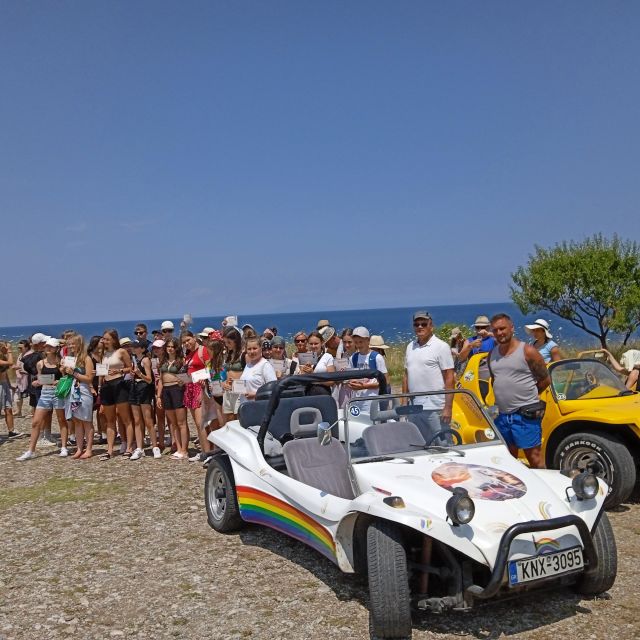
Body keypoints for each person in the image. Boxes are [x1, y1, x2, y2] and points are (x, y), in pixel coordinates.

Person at [488, 313, 551, 469]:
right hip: (503, 416)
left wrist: (528, 397)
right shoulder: (492, 355)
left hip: (525, 416)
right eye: (495, 330)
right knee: (507, 460)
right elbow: (496, 380)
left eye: (502, 328)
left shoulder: (527, 351)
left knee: (534, 458)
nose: (499, 333)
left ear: (512, 328)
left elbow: (545, 379)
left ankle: (544, 492)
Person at [403, 311, 455, 443]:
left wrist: (448, 407)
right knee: (420, 445)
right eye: (416, 324)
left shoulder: (441, 347)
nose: (420, 327)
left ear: (431, 326)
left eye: (424, 324)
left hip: (435, 407)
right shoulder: (410, 347)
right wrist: (404, 403)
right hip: (414, 407)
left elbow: (449, 377)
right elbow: (406, 375)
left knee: (443, 445)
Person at [16, 338, 68, 460]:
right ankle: (30, 450)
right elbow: (40, 379)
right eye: (46, 346)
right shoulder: (40, 363)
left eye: (51, 346)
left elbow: (67, 379)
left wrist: (58, 381)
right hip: (45, 392)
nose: (48, 348)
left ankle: (64, 447)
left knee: (61, 420)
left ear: (56, 348)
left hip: (58, 393)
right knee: (36, 422)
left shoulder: (61, 363)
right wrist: (37, 383)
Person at [98, 329, 134, 460]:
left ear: (113, 339)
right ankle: (110, 449)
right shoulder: (104, 353)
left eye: (107, 339)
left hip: (119, 383)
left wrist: (118, 370)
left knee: (125, 418)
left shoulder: (121, 351)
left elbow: (130, 368)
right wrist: (99, 387)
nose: (104, 341)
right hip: (106, 386)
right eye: (104, 339)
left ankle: (129, 447)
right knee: (110, 420)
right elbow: (101, 372)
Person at [61, 334, 95, 459]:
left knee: (86, 420)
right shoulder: (70, 358)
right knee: (77, 421)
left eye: (73, 344)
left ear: (79, 344)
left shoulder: (86, 359)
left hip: (83, 391)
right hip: (72, 390)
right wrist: (63, 369)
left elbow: (89, 378)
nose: (70, 346)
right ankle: (79, 448)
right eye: (69, 344)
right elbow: (66, 376)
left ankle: (89, 449)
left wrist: (74, 373)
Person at [156, 337, 189, 460]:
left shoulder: (182, 361)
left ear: (177, 348)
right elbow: (160, 379)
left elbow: (187, 378)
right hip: (166, 390)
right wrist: (158, 396)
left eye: (172, 347)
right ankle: (178, 447)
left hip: (177, 390)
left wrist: (183, 382)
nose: (170, 349)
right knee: (173, 423)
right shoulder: (163, 361)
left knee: (181, 422)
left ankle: (184, 450)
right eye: (168, 346)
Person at [181, 331, 211, 462]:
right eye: (184, 342)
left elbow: (209, 367)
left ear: (194, 338)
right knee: (197, 423)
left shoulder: (203, 350)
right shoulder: (188, 355)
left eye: (188, 340)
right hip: (190, 387)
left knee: (201, 423)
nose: (186, 343)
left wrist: (205, 381)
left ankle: (208, 453)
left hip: (200, 388)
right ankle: (205, 451)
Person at [129, 339, 160, 459]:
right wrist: (133, 374)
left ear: (142, 348)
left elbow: (149, 379)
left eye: (136, 347)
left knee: (148, 420)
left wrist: (139, 374)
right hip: (134, 387)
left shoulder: (145, 360)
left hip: (144, 389)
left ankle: (154, 446)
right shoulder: (134, 359)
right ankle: (139, 447)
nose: (133, 348)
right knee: (137, 420)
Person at [348, 327, 388, 412]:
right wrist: (351, 383)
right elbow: (351, 377)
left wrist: (364, 386)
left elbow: (385, 381)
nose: (358, 345)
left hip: (371, 401)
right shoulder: (353, 358)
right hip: (356, 400)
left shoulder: (377, 357)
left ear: (368, 340)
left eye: (361, 342)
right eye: (356, 342)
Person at [237, 336, 277, 408]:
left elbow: (274, 389)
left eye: (254, 348)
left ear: (261, 349)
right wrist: (232, 385)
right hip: (245, 407)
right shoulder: (248, 365)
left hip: (259, 408)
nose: (252, 351)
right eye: (249, 349)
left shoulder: (265, 366)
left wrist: (256, 394)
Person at [221, 326, 244, 422]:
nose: (227, 345)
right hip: (228, 390)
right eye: (225, 342)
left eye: (229, 342)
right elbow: (223, 371)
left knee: (239, 419)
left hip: (239, 390)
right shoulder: (228, 354)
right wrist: (222, 383)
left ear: (236, 340)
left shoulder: (243, 354)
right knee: (229, 419)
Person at [0, 342, 17, 437]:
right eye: (4, 347)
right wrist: (10, 351)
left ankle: (11, 431)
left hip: (4, 384)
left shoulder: (3, 358)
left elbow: (5, 373)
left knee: (8, 408)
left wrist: (10, 385)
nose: (6, 348)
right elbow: (11, 363)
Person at [13, 339, 31, 418]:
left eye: (21, 347)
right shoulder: (20, 355)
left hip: (28, 377)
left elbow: (31, 368)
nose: (19, 349)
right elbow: (17, 366)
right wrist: (17, 372)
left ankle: (32, 412)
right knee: (18, 394)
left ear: (26, 347)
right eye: (19, 348)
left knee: (31, 395)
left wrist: (21, 369)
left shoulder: (30, 355)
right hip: (20, 378)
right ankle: (19, 411)